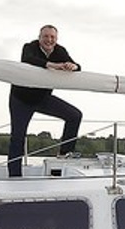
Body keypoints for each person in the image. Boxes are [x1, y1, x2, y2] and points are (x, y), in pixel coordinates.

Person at [8, 25, 83, 178]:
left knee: (75, 115)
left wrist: (73, 66)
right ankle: (14, 176)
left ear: (56, 39)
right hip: (21, 99)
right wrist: (51, 65)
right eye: (46, 37)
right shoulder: (30, 47)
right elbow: (28, 59)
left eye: (52, 37)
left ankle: (64, 153)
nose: (49, 40)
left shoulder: (60, 51)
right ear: (39, 38)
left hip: (42, 98)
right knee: (18, 137)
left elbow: (77, 66)